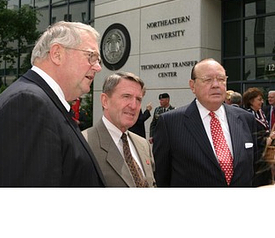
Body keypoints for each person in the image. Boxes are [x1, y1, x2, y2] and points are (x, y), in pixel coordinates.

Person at [0, 21, 106, 187]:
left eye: (98, 60)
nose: (97, 67)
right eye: (91, 56)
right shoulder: (28, 105)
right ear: (57, 54)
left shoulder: (42, 103)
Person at [153, 58, 257, 187]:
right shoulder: (170, 123)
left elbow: (255, 169)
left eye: (221, 79)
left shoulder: (246, 119)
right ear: (192, 85)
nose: (216, 85)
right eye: (208, 80)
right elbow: (162, 177)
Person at [82, 71, 155, 187]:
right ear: (105, 101)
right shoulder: (83, 144)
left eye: (138, 99)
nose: (134, 106)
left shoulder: (143, 145)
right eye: (126, 97)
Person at [243, 87, 272, 187]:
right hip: (256, 155)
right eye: (259, 99)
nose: (262, 102)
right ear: (251, 101)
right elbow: (250, 136)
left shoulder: (261, 113)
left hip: (265, 154)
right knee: (258, 181)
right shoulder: (247, 115)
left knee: (266, 180)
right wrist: (266, 140)